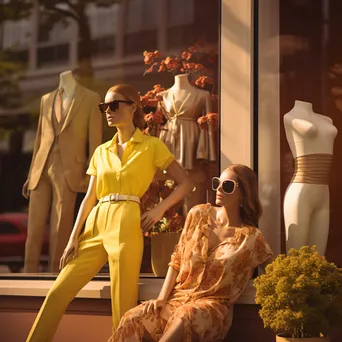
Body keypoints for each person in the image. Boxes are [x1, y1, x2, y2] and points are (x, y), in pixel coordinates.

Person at [26, 84, 193, 342]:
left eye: (114, 105)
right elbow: (89, 197)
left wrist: (160, 209)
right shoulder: (101, 151)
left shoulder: (151, 146)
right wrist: (73, 237)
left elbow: (185, 183)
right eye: (104, 106)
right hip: (96, 222)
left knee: (122, 308)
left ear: (133, 107)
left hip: (127, 221)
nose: (108, 111)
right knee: (57, 291)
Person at [110, 164, 273, 342]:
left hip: (211, 310)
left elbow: (274, 273)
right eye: (217, 183)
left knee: (187, 315)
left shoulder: (251, 238)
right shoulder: (198, 214)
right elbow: (177, 259)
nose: (218, 189)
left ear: (243, 193)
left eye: (227, 185)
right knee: (132, 318)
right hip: (177, 300)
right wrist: (161, 299)